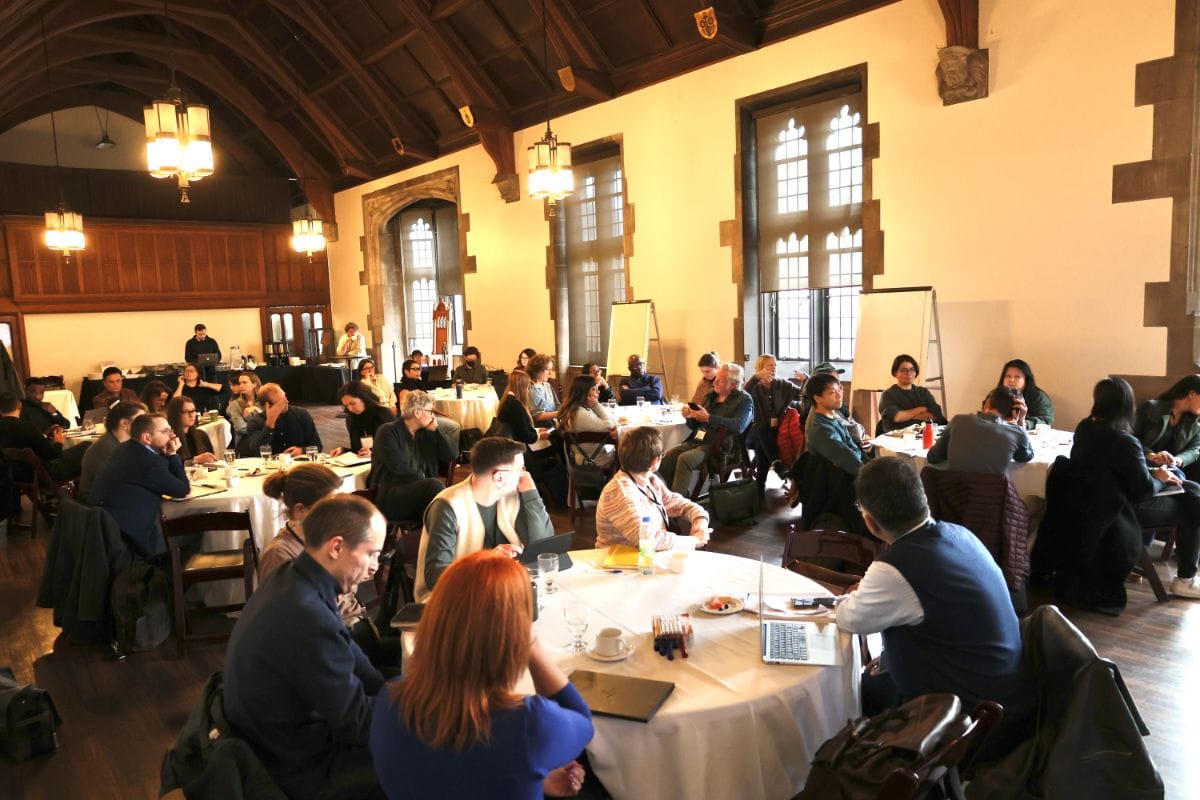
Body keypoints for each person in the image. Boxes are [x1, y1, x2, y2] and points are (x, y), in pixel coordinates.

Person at [836, 457, 1031, 756]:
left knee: (847, 691)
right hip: (1004, 696)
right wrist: (890, 658)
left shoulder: (895, 568)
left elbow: (849, 618)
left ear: (870, 521)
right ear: (923, 498)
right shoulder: (961, 534)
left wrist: (857, 594)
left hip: (964, 717)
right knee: (873, 678)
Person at [370, 550, 593, 800]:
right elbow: (583, 724)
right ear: (512, 636)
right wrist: (531, 645)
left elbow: (447, 774)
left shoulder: (389, 699)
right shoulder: (528, 723)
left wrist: (531, 778)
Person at [224, 494, 387, 800]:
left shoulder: (293, 577)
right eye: (371, 554)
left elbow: (352, 656)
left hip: (269, 741)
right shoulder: (307, 615)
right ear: (336, 547)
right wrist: (423, 709)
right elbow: (359, 725)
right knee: (429, 760)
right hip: (292, 768)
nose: (374, 567)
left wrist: (395, 691)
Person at [1036, 377, 1200, 608]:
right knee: (1192, 504)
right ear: (1127, 405)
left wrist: (1156, 470)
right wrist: (1161, 477)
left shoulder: (1085, 427)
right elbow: (1143, 491)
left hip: (1091, 506)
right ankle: (1185, 578)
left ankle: (1186, 577)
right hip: (1120, 511)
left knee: (1192, 490)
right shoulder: (1124, 441)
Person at [415, 437, 554, 601]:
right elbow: (435, 577)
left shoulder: (510, 497)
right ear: (499, 477)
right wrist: (485, 563)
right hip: (452, 600)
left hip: (499, 590)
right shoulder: (447, 506)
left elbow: (545, 549)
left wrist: (532, 494)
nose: (525, 474)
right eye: (520, 469)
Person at [258, 464, 360, 620]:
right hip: (330, 636)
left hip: (350, 623)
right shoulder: (278, 555)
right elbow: (294, 619)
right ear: (301, 511)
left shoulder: (324, 538)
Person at [88, 413, 189, 557]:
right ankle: (174, 577)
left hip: (105, 529)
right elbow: (182, 489)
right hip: (133, 539)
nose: (172, 435)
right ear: (147, 438)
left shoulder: (124, 448)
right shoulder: (149, 462)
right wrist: (172, 455)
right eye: (166, 431)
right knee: (198, 532)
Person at [596, 426, 710, 550]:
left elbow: (679, 503)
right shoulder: (619, 492)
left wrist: (700, 518)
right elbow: (647, 540)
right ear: (654, 462)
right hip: (618, 564)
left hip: (644, 559)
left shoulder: (650, 480)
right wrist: (693, 540)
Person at [659, 363, 753, 496]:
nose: (714, 382)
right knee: (668, 457)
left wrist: (709, 418)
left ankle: (678, 505)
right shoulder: (712, 395)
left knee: (685, 460)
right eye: (716, 378)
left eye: (719, 380)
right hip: (699, 439)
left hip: (720, 446)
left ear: (732, 384)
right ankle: (665, 496)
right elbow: (693, 425)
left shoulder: (744, 400)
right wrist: (691, 416)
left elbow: (738, 426)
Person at [370, 390, 455, 522]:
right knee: (434, 487)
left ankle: (446, 533)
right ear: (417, 412)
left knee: (441, 499)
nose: (433, 416)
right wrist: (423, 480)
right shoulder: (387, 431)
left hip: (422, 493)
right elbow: (398, 466)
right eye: (430, 411)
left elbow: (451, 455)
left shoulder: (427, 432)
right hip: (393, 495)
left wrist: (437, 431)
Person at [926, 386, 1034, 473]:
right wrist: (1021, 422)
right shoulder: (1017, 433)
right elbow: (1024, 457)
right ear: (1016, 413)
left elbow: (933, 457)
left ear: (987, 404)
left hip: (953, 496)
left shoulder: (957, 421)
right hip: (993, 497)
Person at [744, 354, 803, 491]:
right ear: (760, 367)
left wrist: (806, 380)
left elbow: (801, 395)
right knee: (762, 430)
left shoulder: (782, 384)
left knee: (762, 445)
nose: (773, 367)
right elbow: (743, 394)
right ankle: (777, 466)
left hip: (777, 430)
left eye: (775, 364)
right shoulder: (755, 386)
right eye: (770, 365)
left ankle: (760, 485)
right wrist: (756, 377)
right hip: (754, 430)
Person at [0, 391, 89, 481]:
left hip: (14, 476)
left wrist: (45, 435)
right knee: (87, 446)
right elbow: (51, 455)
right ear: (20, 405)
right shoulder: (27, 427)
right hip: (43, 475)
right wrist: (58, 442)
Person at [1133, 374, 1200, 481]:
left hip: (1173, 470)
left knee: (1193, 489)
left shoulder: (1195, 422)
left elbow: (1195, 449)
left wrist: (1177, 460)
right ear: (1191, 394)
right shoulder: (1150, 408)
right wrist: (1152, 455)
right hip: (1145, 466)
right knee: (1192, 491)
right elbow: (1131, 439)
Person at [78, 401, 146, 503]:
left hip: (114, 499)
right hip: (98, 507)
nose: (146, 425)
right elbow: (122, 486)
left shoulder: (119, 443)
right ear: (124, 423)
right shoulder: (106, 448)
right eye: (141, 420)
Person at [237, 382, 322, 456]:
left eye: (285, 397)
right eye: (281, 401)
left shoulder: (301, 414)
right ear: (268, 405)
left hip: (298, 464)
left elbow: (318, 446)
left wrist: (301, 450)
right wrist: (270, 422)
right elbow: (257, 452)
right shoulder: (255, 422)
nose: (287, 402)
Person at [556, 375, 616, 468]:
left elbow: (609, 417)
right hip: (594, 460)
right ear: (583, 393)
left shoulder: (577, 409)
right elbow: (610, 425)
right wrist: (596, 406)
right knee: (626, 454)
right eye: (593, 389)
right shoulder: (581, 414)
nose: (598, 391)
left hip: (587, 455)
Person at [878, 354, 946, 433]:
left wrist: (908, 417)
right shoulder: (888, 394)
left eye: (912, 369)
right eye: (904, 370)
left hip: (923, 435)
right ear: (895, 373)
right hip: (897, 438)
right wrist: (921, 409)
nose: (909, 373)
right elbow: (897, 417)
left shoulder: (923, 392)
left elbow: (936, 416)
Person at [496, 369, 555, 459]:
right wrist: (539, 436)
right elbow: (526, 436)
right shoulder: (515, 406)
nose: (528, 391)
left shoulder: (507, 400)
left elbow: (520, 427)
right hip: (522, 447)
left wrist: (536, 430)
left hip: (515, 441)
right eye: (527, 387)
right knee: (557, 442)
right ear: (520, 385)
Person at [331, 382, 396, 458]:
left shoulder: (383, 414)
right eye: (346, 406)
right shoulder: (351, 418)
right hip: (363, 463)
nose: (349, 409)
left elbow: (395, 447)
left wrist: (373, 454)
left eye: (352, 403)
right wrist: (344, 450)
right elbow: (358, 450)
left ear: (364, 398)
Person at [996, 358, 1054, 429]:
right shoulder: (995, 395)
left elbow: (1046, 420)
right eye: (1008, 376)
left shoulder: (1038, 396)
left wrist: (1025, 423)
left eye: (1017, 377)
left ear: (1026, 380)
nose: (1011, 380)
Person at [166, 396, 216, 465]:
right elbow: (171, 465)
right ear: (175, 414)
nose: (191, 415)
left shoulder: (201, 434)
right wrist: (195, 460)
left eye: (193, 411)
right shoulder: (170, 439)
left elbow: (212, 459)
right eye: (186, 412)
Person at [226, 371, 263, 436]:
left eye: (244, 383)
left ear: (254, 384)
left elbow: (273, 420)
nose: (241, 386)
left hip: (265, 438)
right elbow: (242, 428)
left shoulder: (263, 400)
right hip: (246, 441)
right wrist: (264, 427)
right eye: (240, 383)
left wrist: (257, 409)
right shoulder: (235, 405)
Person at [527, 354, 559, 424]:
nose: (550, 373)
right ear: (537, 370)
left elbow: (557, 405)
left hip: (552, 422)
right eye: (547, 370)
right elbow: (537, 416)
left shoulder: (547, 385)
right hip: (541, 427)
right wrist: (560, 413)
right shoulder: (531, 389)